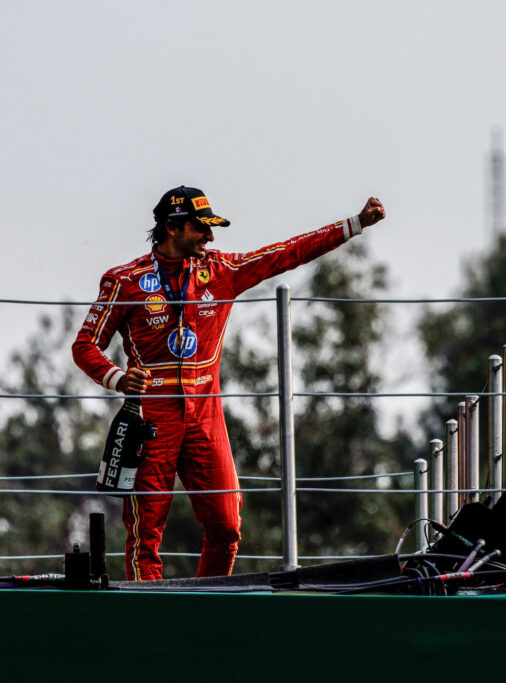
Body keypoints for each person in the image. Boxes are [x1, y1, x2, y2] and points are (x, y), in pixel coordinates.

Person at [72, 186, 386, 580]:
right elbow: (85, 345)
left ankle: (208, 608)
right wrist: (118, 378)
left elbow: (285, 253)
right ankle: (146, 625)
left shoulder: (221, 269)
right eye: (201, 228)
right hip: (152, 419)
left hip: (206, 417)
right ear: (172, 227)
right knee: (144, 532)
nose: (211, 236)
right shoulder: (124, 281)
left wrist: (354, 224)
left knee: (226, 525)